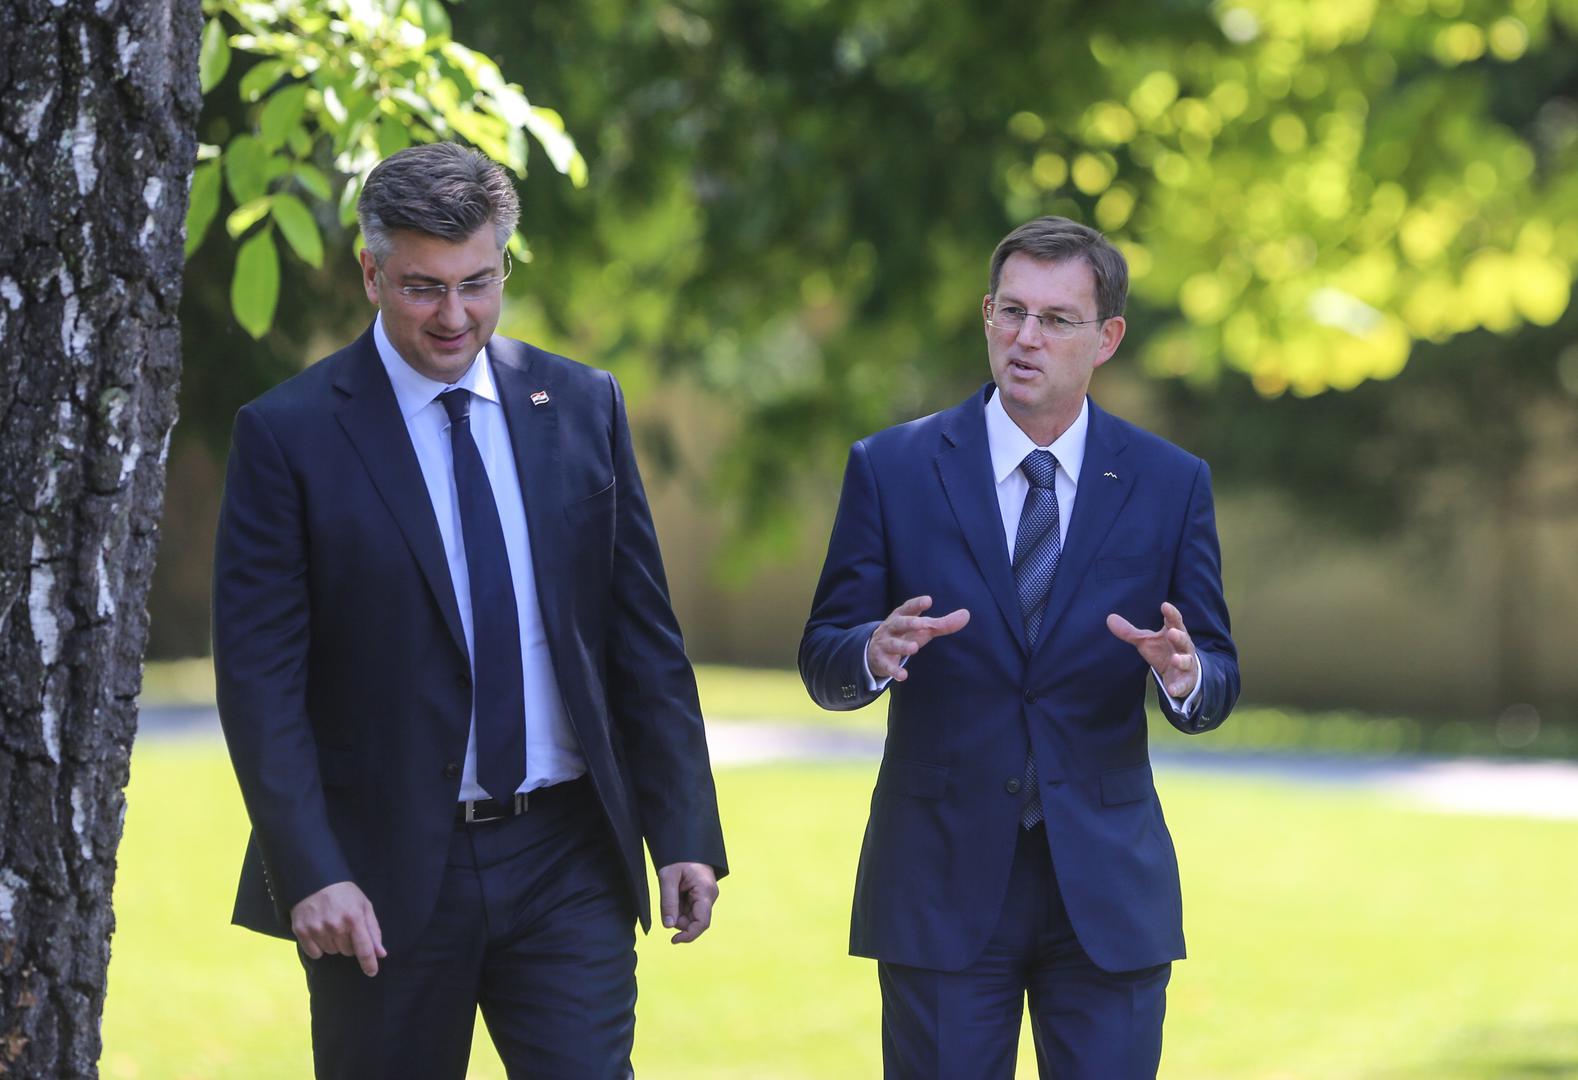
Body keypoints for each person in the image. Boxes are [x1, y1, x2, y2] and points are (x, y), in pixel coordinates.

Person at [212, 141, 727, 1080]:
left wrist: (685, 830)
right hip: (381, 875)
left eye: (477, 284)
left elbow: (643, 641)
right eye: (422, 288)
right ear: (371, 274)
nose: (455, 316)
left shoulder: (582, 405)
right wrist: (311, 869)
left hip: (568, 857)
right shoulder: (287, 437)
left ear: (503, 266)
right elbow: (260, 687)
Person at [799, 216, 1238, 1078]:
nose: (1026, 336)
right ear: (988, 316)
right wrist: (871, 654)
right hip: (939, 882)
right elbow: (824, 653)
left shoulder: (1170, 482)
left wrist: (1187, 676)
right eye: (1011, 311)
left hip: (1106, 891)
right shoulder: (892, 468)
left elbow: (1217, 669)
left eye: (1057, 319)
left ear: (1107, 337)